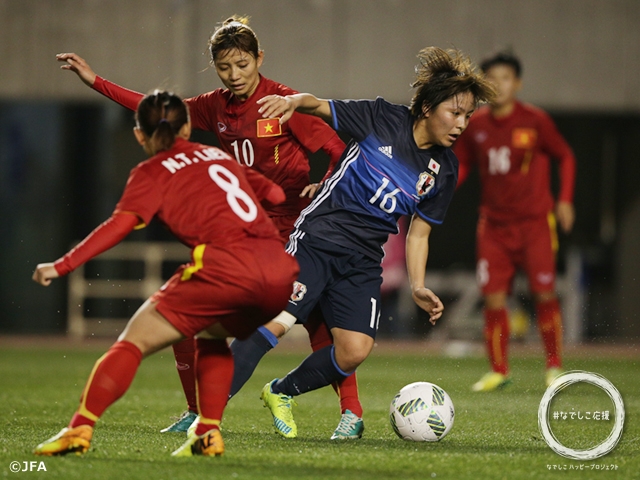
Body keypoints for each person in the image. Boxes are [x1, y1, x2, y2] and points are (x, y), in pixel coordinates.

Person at [56, 15, 365, 440]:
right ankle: (194, 410)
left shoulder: (283, 101)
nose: (235, 75)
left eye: (242, 64)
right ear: (215, 66)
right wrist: (95, 81)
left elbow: (337, 149)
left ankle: (351, 412)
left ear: (259, 58)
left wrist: (323, 183)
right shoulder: (213, 106)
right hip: (244, 230)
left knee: (316, 321)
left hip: (296, 229)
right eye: (225, 67)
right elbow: (156, 111)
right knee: (186, 312)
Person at [32, 91, 299, 457]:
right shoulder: (218, 155)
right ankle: (207, 433)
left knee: (133, 340)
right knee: (211, 334)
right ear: (187, 127)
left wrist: (61, 265)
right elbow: (275, 194)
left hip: (226, 268)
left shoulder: (150, 171)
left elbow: (119, 225)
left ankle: (79, 430)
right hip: (279, 273)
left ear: (139, 135)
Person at [254, 47, 496, 437]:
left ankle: (281, 391)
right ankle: (206, 412)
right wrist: (293, 101)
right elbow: (318, 106)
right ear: (428, 107)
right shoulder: (383, 118)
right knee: (273, 325)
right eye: (455, 112)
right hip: (317, 241)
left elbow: (420, 231)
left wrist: (418, 285)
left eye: (468, 115)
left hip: (363, 261)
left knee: (353, 351)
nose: (462, 123)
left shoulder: (445, 169)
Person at [453, 51, 576, 391]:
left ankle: (554, 366)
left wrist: (564, 199)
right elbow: (461, 165)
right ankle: (499, 369)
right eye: (491, 78)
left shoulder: (535, 120)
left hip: (535, 223)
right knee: (492, 297)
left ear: (517, 83)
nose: (498, 85)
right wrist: (442, 190)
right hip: (493, 226)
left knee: (544, 293)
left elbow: (564, 156)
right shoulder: (475, 125)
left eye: (505, 78)